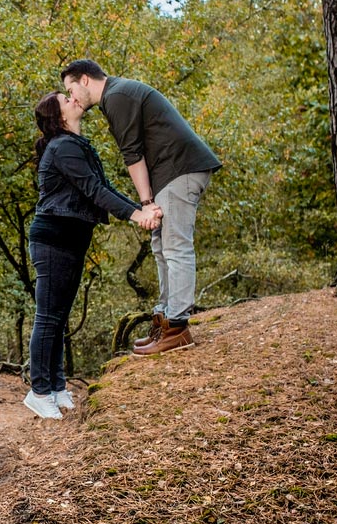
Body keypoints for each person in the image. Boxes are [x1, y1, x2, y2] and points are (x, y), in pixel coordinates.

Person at [61, 59, 221, 355]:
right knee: (161, 246)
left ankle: (178, 326)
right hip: (169, 174)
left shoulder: (116, 96)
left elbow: (132, 155)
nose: (71, 99)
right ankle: (164, 318)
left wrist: (146, 203)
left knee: (175, 246)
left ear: (84, 80)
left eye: (70, 90)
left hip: (181, 169)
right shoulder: (116, 96)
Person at [24, 91, 162, 420]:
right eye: (66, 101)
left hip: (69, 240)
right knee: (48, 317)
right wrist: (135, 216)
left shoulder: (73, 145)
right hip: (54, 239)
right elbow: (95, 192)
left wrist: (141, 208)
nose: (75, 100)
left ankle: (56, 387)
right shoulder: (63, 147)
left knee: (58, 317)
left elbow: (104, 186)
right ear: (59, 117)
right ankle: (39, 391)